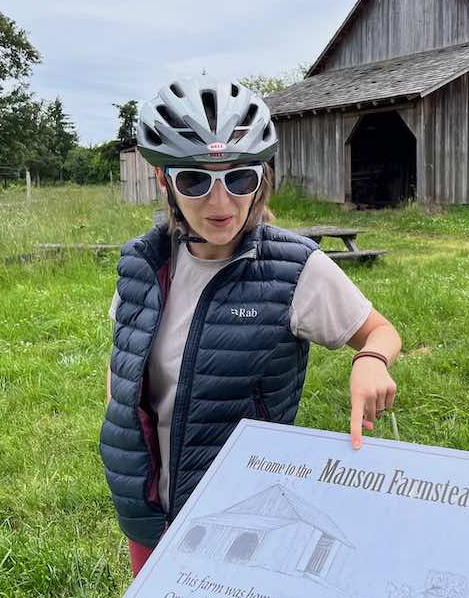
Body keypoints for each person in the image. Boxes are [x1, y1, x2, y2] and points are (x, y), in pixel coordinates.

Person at [99, 74, 400, 577]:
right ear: (164, 182)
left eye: (239, 179)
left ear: (261, 178)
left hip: (240, 508)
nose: (220, 204)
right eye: (195, 180)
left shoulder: (296, 267)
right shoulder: (141, 264)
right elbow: (124, 361)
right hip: (147, 506)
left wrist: (370, 359)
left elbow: (379, 331)